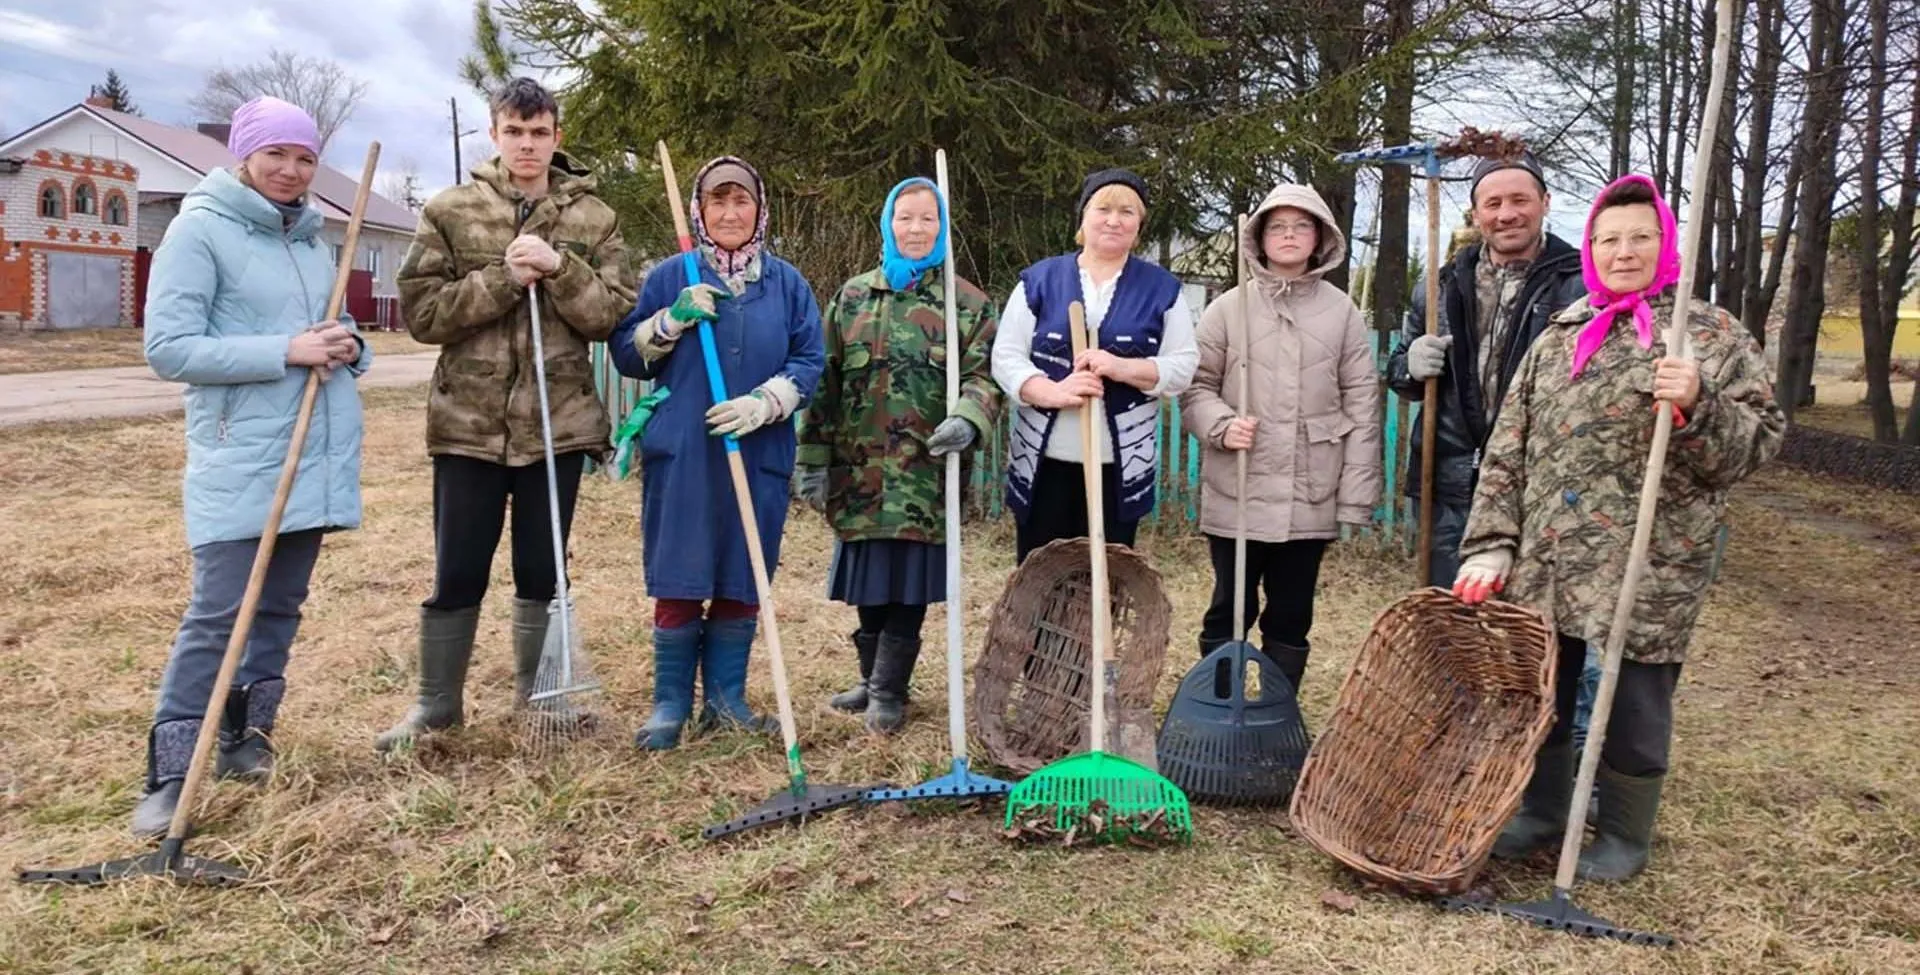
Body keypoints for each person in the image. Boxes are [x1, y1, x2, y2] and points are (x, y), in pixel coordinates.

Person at [1455, 173, 1784, 881]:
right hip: (1551, 554)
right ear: (1591, 249)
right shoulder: (1561, 334)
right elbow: (1507, 449)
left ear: (1666, 243)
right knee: (1542, 689)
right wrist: (1490, 543)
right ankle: (1542, 809)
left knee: (1636, 697)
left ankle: (1626, 834)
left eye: (1640, 237)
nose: (1622, 251)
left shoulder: (1707, 335)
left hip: (1653, 555)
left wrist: (1699, 404)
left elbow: (1754, 447)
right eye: (1608, 239)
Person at [132, 96, 372, 835]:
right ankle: (172, 770)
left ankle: (246, 737)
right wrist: (284, 351)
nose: (292, 171)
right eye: (277, 155)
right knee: (218, 611)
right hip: (243, 454)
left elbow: (336, 327)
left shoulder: (310, 237)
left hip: (312, 452)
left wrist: (349, 346)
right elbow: (168, 348)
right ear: (244, 155)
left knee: (280, 605)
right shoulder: (197, 231)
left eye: (304, 158)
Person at [377, 77, 634, 751]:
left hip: (559, 424)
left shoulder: (594, 219)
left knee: (542, 569)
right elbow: (424, 315)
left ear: (558, 137)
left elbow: (611, 314)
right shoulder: (450, 212)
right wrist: (500, 279)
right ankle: (436, 706)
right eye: (514, 132)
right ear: (494, 134)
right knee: (458, 569)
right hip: (468, 424)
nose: (527, 145)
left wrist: (558, 268)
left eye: (539, 132)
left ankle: (540, 696)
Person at [609, 155, 825, 750]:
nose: (730, 213)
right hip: (684, 448)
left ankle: (727, 700)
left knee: (742, 569)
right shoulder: (670, 276)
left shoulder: (787, 284)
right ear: (699, 212)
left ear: (760, 211)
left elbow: (810, 360)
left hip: (758, 450)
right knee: (681, 570)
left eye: (742, 202)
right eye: (717, 202)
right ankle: (670, 704)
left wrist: (766, 402)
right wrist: (671, 321)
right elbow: (627, 354)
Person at [792, 177, 1001, 733]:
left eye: (927, 219)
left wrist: (969, 417)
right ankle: (869, 678)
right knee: (869, 577)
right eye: (905, 218)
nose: (916, 229)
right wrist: (812, 457)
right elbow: (824, 382)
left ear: (942, 227)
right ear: (888, 223)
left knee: (908, 579)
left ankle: (890, 689)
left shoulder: (967, 304)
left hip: (923, 474)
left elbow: (986, 378)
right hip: (858, 470)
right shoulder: (853, 297)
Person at [1178, 184, 1381, 693]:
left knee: (1291, 610)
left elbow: (1361, 402)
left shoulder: (1342, 313)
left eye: (1302, 226)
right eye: (1278, 227)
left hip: (1309, 491)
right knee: (1230, 605)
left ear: (1321, 238)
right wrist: (1222, 425)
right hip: (1238, 489)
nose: (1289, 236)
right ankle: (1219, 705)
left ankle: (1277, 708)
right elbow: (1195, 387)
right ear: (1259, 238)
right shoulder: (1229, 308)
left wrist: (1355, 497)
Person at [1386, 152, 1587, 587]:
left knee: (1528, 631)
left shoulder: (1580, 286)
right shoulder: (1440, 287)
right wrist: (1411, 366)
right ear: (1476, 214)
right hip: (1450, 485)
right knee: (1449, 627)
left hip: (1540, 489)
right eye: (1493, 204)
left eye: (1520, 200)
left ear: (1545, 202)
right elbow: (1399, 372)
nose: (1507, 214)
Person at [991, 168, 1198, 562]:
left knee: (1105, 581)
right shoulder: (1040, 280)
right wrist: (1050, 391)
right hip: (1045, 465)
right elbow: (1005, 357)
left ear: (1140, 225)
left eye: (1127, 212)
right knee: (1040, 578)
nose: (1114, 220)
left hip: (1117, 470)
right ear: (1084, 217)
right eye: (1103, 208)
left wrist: (1121, 368)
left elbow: (1183, 365)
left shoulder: (1162, 290)